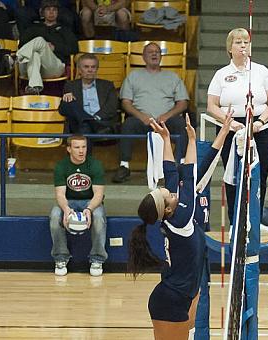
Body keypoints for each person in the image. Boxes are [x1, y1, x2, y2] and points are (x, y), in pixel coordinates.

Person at [127, 113, 232, 340]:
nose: (172, 192)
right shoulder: (181, 219)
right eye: (168, 194)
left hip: (183, 293)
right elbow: (190, 173)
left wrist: (166, 140)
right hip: (170, 300)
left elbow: (171, 171)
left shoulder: (173, 210)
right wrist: (192, 141)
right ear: (167, 209)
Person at [207, 27, 268, 224]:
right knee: (233, 175)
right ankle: (235, 221)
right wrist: (229, 123)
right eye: (238, 42)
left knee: (259, 173)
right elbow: (211, 106)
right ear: (229, 48)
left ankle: (255, 220)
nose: (243, 46)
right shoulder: (221, 74)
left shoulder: (261, 71)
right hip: (231, 128)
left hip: (259, 127)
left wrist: (260, 122)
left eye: (246, 42)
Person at [112, 42, 189, 183]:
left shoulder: (172, 77)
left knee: (181, 124)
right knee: (128, 125)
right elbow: (125, 103)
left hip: (167, 119)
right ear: (143, 57)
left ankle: (181, 164)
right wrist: (142, 116)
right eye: (150, 52)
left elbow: (183, 103)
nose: (154, 54)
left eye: (157, 52)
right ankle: (124, 166)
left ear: (161, 56)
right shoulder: (133, 76)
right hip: (141, 119)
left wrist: (167, 115)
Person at [49, 135, 107, 277]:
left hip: (90, 201)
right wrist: (66, 209)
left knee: (99, 217)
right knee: (55, 215)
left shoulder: (95, 165)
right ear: (69, 149)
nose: (81, 151)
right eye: (77, 147)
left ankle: (97, 259)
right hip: (69, 201)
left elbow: (99, 194)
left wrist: (89, 209)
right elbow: (60, 195)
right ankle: (60, 258)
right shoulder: (61, 166)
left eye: (84, 147)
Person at [16, 0, 78, 94]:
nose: (51, 12)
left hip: (54, 67)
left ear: (58, 13)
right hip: (30, 67)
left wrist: (55, 48)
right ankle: (34, 87)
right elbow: (21, 44)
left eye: (54, 10)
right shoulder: (33, 29)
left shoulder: (65, 30)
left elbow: (74, 49)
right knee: (35, 54)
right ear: (42, 12)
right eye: (48, 9)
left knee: (40, 41)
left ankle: (15, 59)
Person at [59, 53, 119, 135]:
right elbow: (63, 110)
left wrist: (96, 118)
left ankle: (88, 122)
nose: (90, 70)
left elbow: (112, 107)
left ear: (97, 69)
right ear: (79, 69)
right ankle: (87, 121)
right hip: (78, 125)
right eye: (86, 67)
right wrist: (66, 100)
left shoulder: (107, 85)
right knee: (70, 103)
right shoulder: (70, 86)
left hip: (101, 123)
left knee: (85, 128)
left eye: (93, 67)